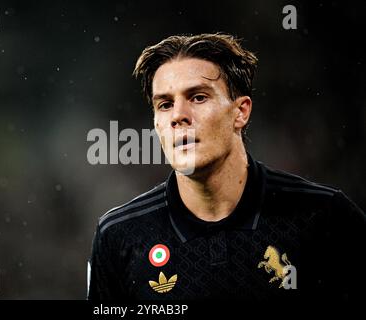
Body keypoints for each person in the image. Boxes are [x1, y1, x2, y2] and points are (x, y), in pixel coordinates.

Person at [87, 33, 365, 301]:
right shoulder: (119, 236)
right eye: (165, 104)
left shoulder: (327, 217)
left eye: (198, 97)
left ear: (240, 111)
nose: (178, 116)